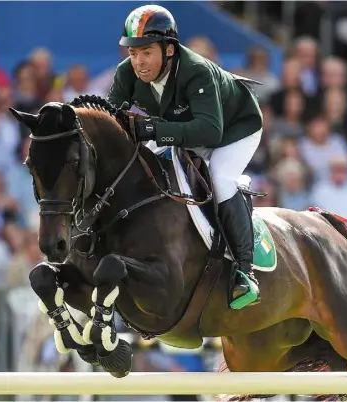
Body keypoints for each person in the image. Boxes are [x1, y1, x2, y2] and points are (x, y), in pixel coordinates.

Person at [107, 4, 264, 309]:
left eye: (146, 52)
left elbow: (209, 133)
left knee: (220, 179)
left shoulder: (196, 71)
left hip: (233, 130)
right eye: (133, 53)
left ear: (168, 50)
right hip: (187, 128)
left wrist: (152, 128)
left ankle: (245, 272)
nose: (138, 62)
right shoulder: (126, 73)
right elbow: (110, 119)